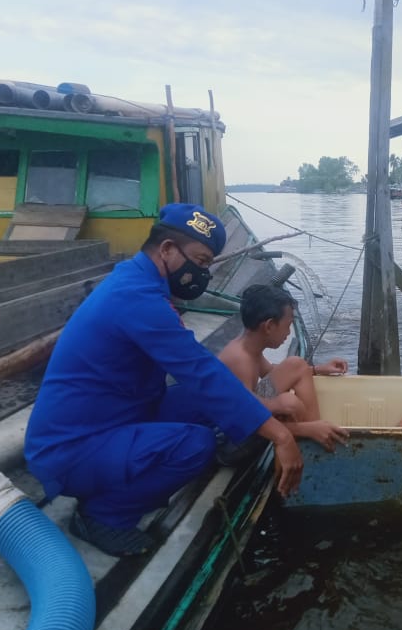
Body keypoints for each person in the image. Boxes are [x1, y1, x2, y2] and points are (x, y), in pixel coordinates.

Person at [24, 203, 303, 558]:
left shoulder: (137, 279)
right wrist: (280, 435)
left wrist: (260, 420)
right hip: (72, 446)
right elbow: (200, 369)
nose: (203, 273)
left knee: (204, 401)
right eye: (200, 261)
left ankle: (149, 472)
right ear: (168, 250)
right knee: (196, 444)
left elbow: (205, 378)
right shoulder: (137, 299)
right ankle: (102, 515)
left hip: (115, 414)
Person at [218, 283, 349, 452]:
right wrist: (280, 407)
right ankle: (312, 434)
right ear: (269, 326)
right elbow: (244, 415)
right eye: (288, 325)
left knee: (297, 364)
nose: (288, 333)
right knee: (290, 402)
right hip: (233, 440)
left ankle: (317, 431)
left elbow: (272, 372)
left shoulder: (250, 347)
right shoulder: (239, 358)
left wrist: (318, 369)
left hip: (247, 413)